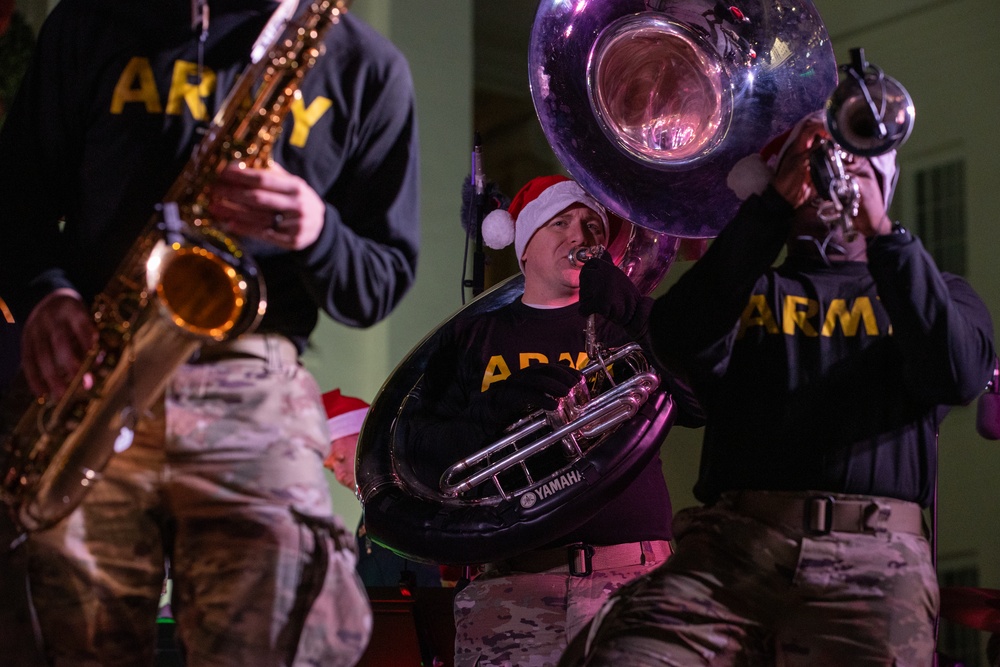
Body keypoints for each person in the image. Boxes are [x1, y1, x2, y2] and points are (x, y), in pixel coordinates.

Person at [0, 0, 420, 663]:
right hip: (93, 369)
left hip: (251, 379)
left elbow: (380, 279)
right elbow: (13, 201)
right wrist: (45, 295)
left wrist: (317, 230)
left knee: (276, 633)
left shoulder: (365, 64)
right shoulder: (88, 23)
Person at [559, 112, 996, 666]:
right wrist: (771, 209)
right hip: (732, 549)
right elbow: (675, 335)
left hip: (872, 560)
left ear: (885, 185)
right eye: (813, 169)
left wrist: (884, 235)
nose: (835, 180)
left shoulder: (938, 291)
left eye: (859, 167)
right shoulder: (752, 287)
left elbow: (955, 373)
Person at [408, 174, 702, 667]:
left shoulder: (629, 322)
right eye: (559, 222)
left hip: (632, 580)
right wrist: (489, 413)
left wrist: (632, 311)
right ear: (523, 248)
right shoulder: (473, 337)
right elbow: (420, 453)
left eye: (592, 224)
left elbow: (700, 405)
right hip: (512, 587)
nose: (581, 235)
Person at [321, 388, 442, 589]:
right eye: (331, 469)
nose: (339, 476)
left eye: (340, 459)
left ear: (365, 441)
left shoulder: (417, 493)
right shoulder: (373, 510)